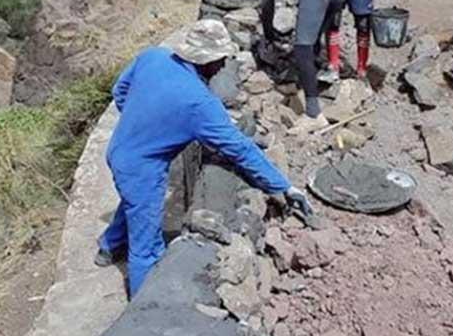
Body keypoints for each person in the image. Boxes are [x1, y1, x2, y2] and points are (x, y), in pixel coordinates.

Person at [95, 19, 313, 297]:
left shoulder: (153, 57)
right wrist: (283, 186)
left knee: (134, 201)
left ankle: (108, 246)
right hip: (142, 168)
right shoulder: (198, 102)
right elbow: (240, 150)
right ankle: (144, 312)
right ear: (207, 61)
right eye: (220, 60)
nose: (222, 67)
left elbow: (120, 92)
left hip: (120, 149)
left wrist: (145, 124)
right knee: (146, 248)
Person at [259, 0, 348, 118]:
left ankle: (312, 108)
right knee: (315, 36)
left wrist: (268, 33)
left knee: (302, 47)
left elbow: (267, 3)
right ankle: (320, 75)